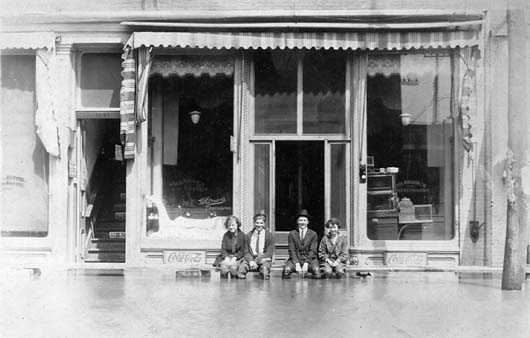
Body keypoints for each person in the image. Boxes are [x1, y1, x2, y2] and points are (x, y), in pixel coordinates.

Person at [282, 209, 321, 279]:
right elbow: (292, 250)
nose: (302, 222)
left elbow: (313, 250)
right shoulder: (292, 234)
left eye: (304, 220)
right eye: (300, 220)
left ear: (308, 222)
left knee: (316, 270)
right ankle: (288, 289)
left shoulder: (313, 234)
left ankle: (315, 289)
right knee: (287, 269)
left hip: (310, 260)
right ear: (297, 222)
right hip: (296, 259)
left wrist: (306, 263)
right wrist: (296, 263)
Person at [237, 211, 275, 279]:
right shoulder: (249, 235)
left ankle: (264, 288)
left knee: (264, 270)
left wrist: (256, 261)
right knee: (241, 269)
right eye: (257, 223)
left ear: (264, 224)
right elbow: (246, 251)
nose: (259, 225)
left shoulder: (269, 236)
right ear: (254, 223)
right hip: (251, 258)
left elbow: (269, 252)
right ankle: (243, 288)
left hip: (264, 258)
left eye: (261, 223)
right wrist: (251, 261)